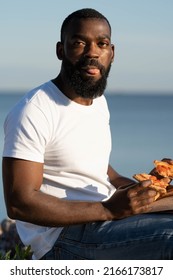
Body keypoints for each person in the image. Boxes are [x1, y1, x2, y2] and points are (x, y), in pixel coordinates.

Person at [2, 8, 173, 260]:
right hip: (61, 240)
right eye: (80, 43)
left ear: (111, 53)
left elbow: (102, 170)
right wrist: (107, 209)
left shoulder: (97, 102)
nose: (92, 52)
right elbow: (20, 203)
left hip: (104, 221)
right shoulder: (34, 110)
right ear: (61, 50)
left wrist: (146, 191)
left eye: (101, 44)